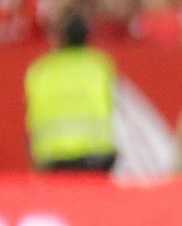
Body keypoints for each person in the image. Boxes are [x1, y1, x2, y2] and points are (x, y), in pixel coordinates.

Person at [24, 12, 116, 172]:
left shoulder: (41, 70)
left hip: (54, 158)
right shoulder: (100, 66)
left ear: (58, 38)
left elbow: (33, 114)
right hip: (96, 156)